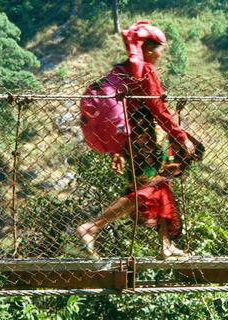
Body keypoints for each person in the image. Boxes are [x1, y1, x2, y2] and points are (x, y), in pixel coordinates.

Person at [76, 20, 196, 259]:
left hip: (135, 141)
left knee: (161, 186)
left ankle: (165, 246)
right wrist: (181, 137)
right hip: (148, 141)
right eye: (160, 48)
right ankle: (93, 227)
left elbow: (118, 113)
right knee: (146, 190)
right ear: (150, 49)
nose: (161, 54)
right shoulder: (146, 71)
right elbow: (158, 109)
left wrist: (117, 149)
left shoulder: (123, 70)